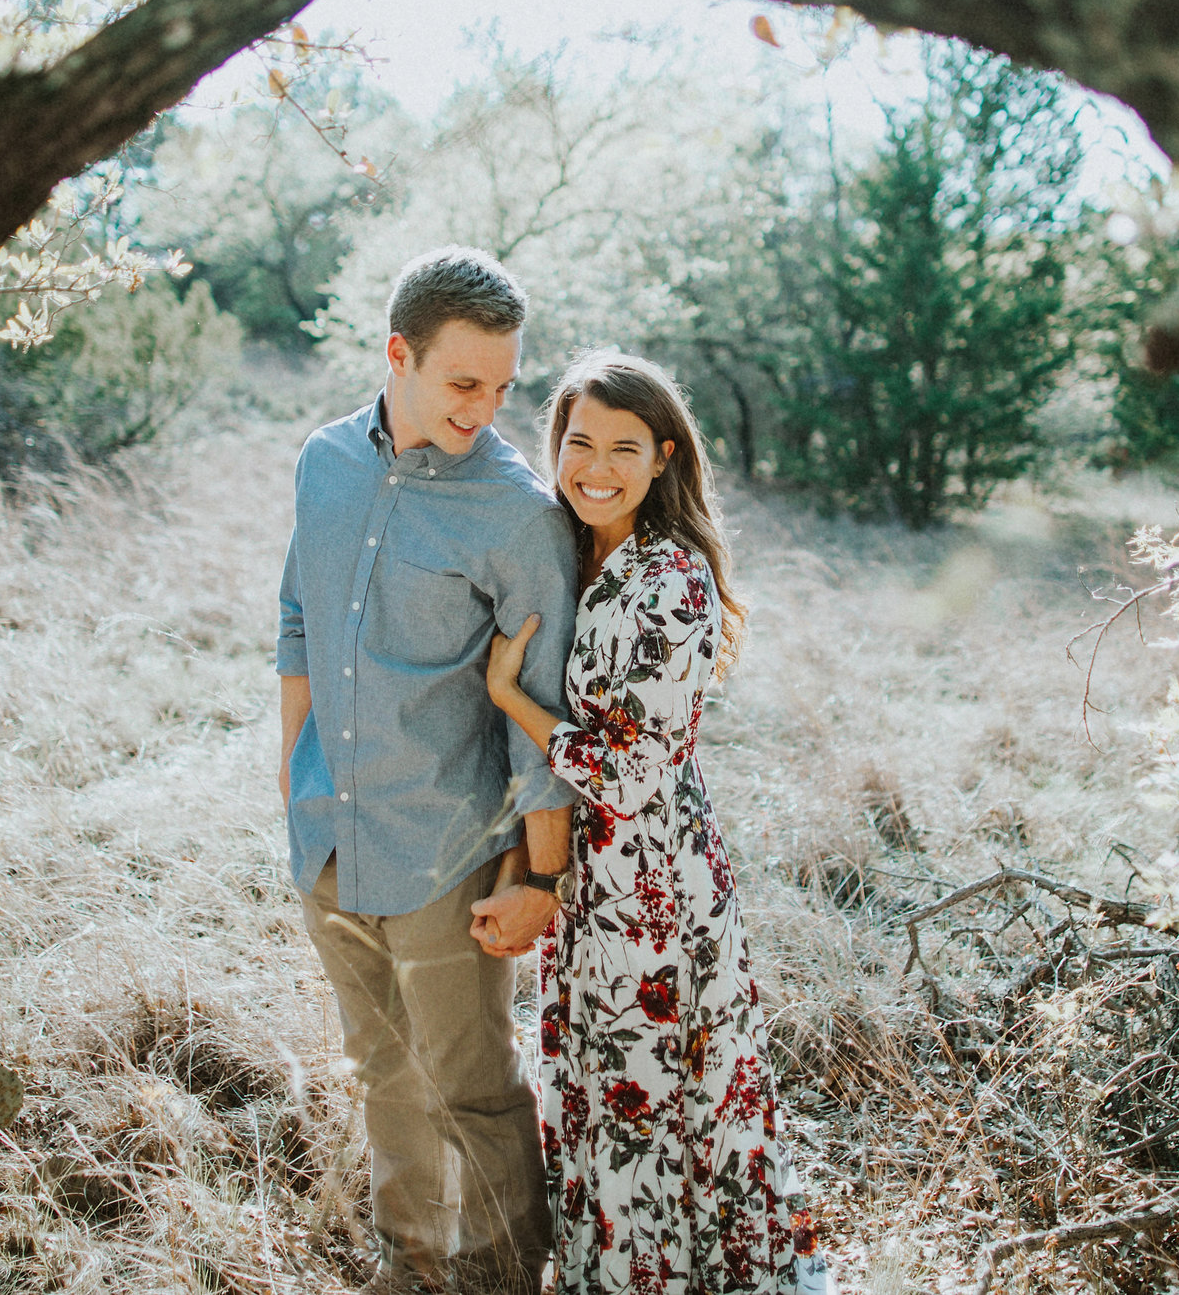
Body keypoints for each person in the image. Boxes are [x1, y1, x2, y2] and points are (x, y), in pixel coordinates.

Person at [278, 247, 581, 1293]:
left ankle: (500, 1278)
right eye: (463, 383)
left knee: (473, 1088)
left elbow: (543, 716)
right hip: (329, 837)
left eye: (502, 387)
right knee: (384, 1074)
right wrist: (293, 791)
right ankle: (410, 1268)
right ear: (397, 354)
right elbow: (297, 622)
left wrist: (537, 876)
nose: (484, 410)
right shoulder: (324, 461)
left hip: (449, 853)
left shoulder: (518, 513)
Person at [484, 350, 812, 1294]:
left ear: (664, 455)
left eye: (623, 448)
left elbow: (627, 775)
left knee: (652, 1088)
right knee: (599, 1079)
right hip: (589, 873)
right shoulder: (572, 549)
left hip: (653, 882)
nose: (596, 466)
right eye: (579, 442)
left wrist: (512, 697)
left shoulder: (670, 579)